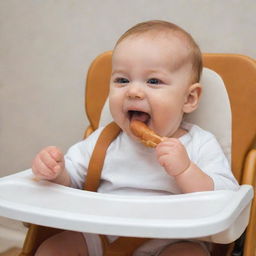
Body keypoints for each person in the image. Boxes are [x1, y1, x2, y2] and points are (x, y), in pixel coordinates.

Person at [32, 20, 239, 256]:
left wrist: (186, 171)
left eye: (153, 81)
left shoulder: (200, 144)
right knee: (53, 248)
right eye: (122, 80)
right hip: (100, 237)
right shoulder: (105, 140)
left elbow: (224, 199)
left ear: (189, 98)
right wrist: (55, 172)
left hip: (171, 241)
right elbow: (73, 180)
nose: (133, 91)